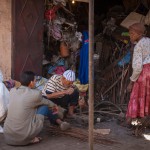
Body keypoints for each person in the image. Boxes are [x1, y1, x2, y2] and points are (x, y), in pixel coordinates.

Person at [4, 71, 70, 146]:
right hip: (24, 136)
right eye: (35, 81)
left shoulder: (12, 91)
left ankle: (59, 121)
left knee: (33, 106)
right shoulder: (35, 94)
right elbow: (49, 104)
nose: (36, 82)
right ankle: (59, 121)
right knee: (45, 106)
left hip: (8, 136)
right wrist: (59, 110)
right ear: (31, 82)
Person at [126, 23, 150, 125]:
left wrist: (131, 82)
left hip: (144, 73)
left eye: (132, 33)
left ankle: (130, 120)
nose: (130, 36)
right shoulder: (149, 41)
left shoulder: (138, 47)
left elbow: (137, 67)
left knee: (136, 95)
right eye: (129, 33)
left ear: (139, 34)